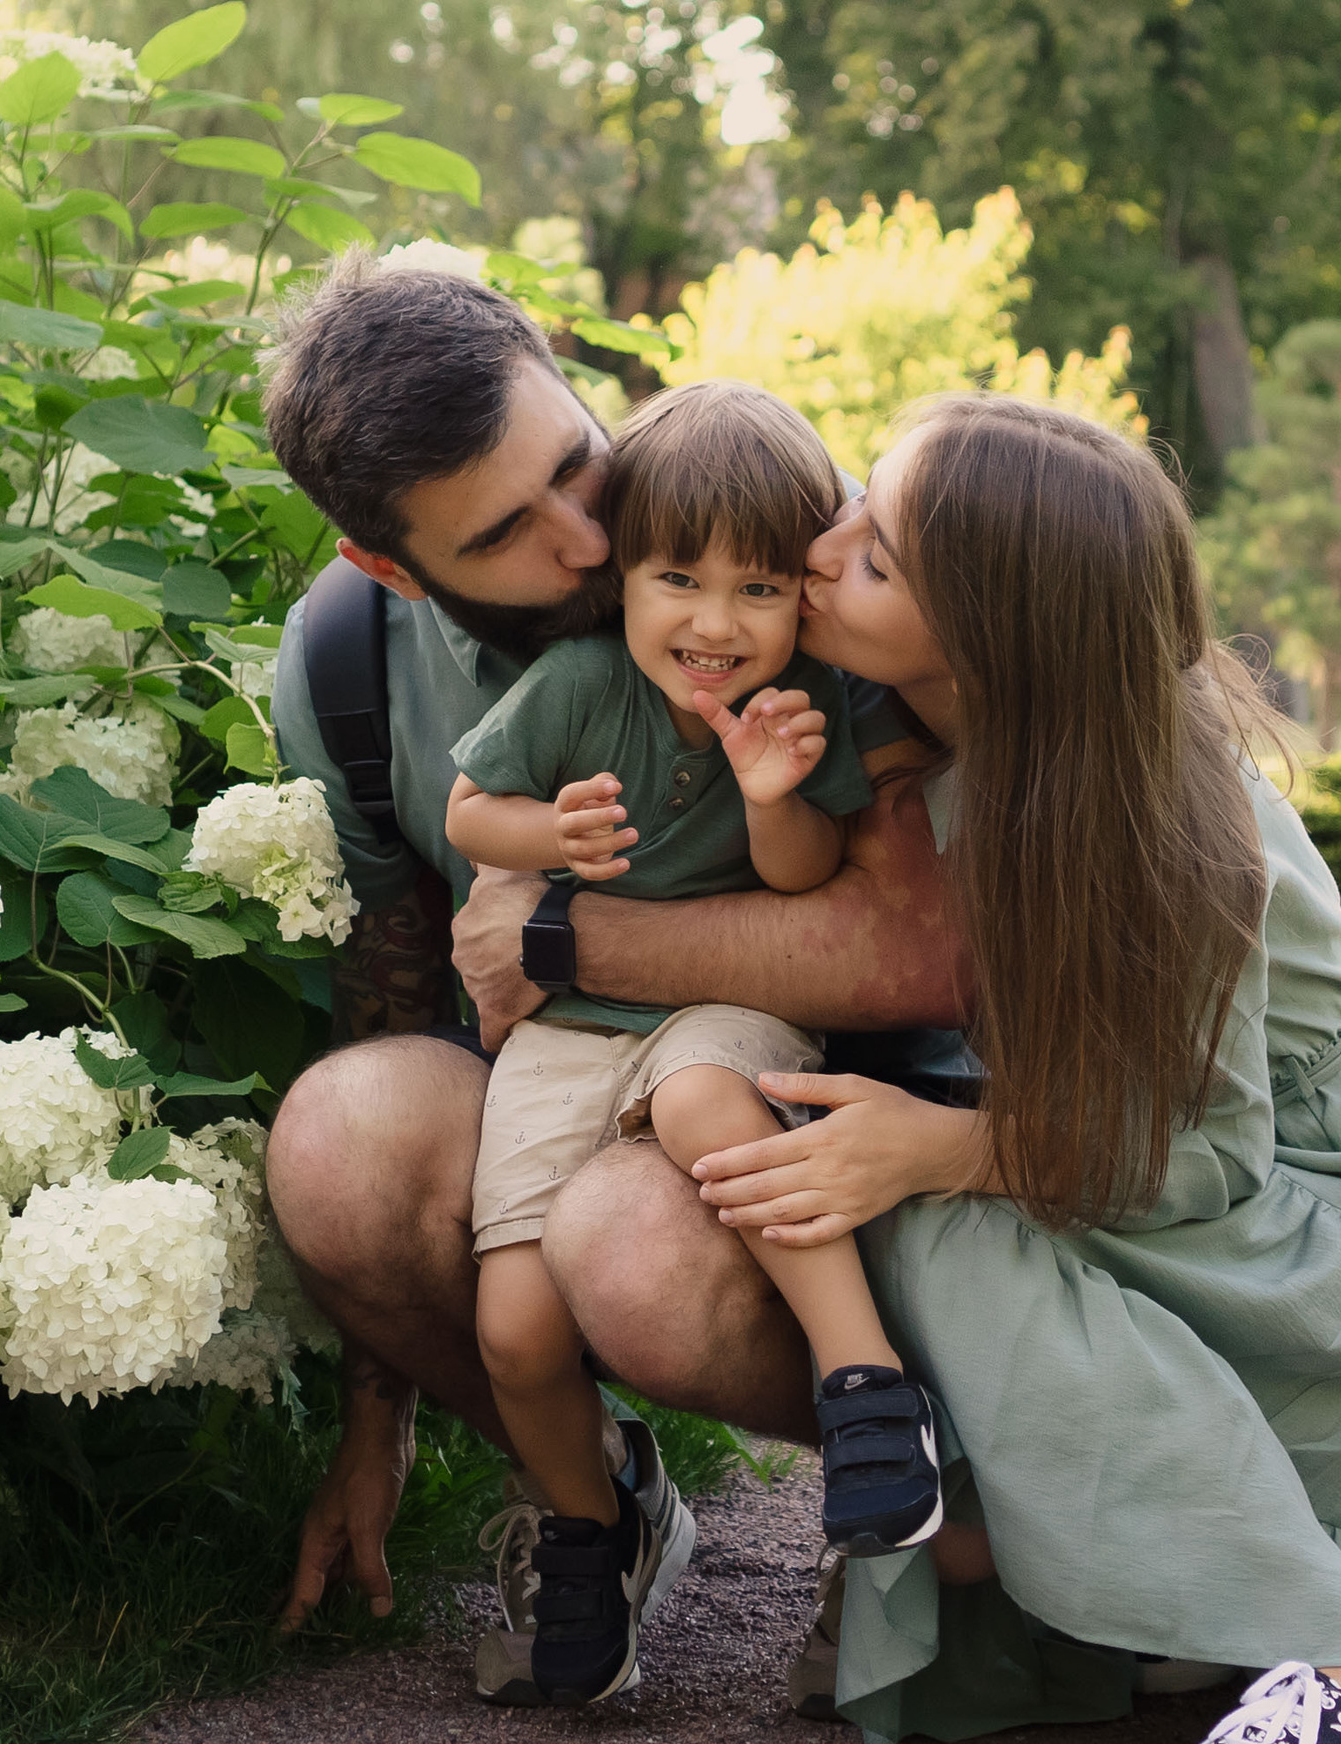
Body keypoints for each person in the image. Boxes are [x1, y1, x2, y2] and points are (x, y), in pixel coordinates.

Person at [655, 393, 1341, 1744]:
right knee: (896, 1196)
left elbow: (1210, 1154)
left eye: (876, 555)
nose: (822, 551)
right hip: (1196, 1202)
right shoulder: (946, 721)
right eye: (858, 507)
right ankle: (1087, 1600)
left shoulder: (1145, 808)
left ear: (994, 642)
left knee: (933, 1211)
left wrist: (942, 1145)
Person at [260, 250, 965, 1712]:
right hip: (569, 1077)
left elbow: (910, 945)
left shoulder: (771, 538)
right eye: (509, 532)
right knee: (340, 1139)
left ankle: (945, 1496)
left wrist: (559, 934)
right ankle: (591, 1496)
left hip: (849, 1110)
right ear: (390, 565)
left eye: (576, 465)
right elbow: (391, 990)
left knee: (638, 1236)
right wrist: (371, 1419)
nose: (589, 541)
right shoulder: (347, 666)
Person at [442, 380, 946, 1703]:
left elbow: (800, 885)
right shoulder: (578, 684)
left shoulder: (804, 708)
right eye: (679, 579)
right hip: (569, 1032)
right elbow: (467, 811)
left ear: (803, 598)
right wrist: (540, 838)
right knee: (513, 1323)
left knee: (708, 1102)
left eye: (760, 591)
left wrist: (771, 795)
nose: (716, 625)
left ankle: (865, 1388)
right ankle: (586, 1529)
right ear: (624, 582)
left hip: (713, 1010)